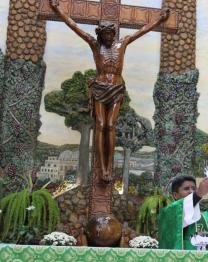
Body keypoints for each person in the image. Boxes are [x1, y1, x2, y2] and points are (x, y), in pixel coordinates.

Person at [49, 0, 169, 182]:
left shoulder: (123, 44)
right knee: (100, 124)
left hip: (116, 89)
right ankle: (103, 167)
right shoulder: (94, 45)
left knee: (111, 125)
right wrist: (58, 11)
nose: (107, 36)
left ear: (113, 33)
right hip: (99, 88)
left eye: (109, 33)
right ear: (100, 35)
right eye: (104, 34)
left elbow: (142, 31)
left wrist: (159, 20)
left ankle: (108, 166)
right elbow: (75, 27)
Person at [158, 174, 208, 251]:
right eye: (186, 189)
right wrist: (198, 193)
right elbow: (178, 212)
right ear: (175, 195)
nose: (191, 191)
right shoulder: (168, 213)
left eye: (193, 188)